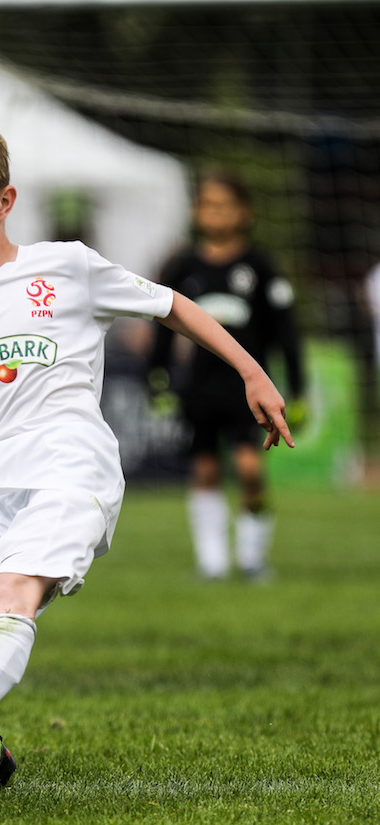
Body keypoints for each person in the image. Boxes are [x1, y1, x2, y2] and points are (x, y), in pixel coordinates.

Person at [0, 109, 294, 806]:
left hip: (73, 470)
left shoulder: (67, 266)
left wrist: (252, 372)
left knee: (12, 591)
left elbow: (174, 305)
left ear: (4, 201)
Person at [147, 170, 305, 582]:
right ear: (196, 211)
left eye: (224, 206)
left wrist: (298, 387)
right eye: (207, 205)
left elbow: (286, 333)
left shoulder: (260, 267)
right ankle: (213, 562)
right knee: (205, 470)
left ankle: (253, 558)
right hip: (199, 388)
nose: (215, 213)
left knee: (250, 468)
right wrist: (157, 375)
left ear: (243, 213)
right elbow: (162, 322)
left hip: (247, 390)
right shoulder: (182, 265)